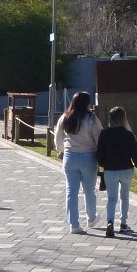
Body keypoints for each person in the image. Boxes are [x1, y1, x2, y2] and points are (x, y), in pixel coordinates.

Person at [54, 91, 102, 235]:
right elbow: (99, 138)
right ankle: (91, 218)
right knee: (89, 191)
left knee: (71, 192)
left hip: (69, 156)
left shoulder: (65, 117)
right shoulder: (92, 119)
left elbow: (58, 136)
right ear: (87, 103)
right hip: (88, 156)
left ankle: (74, 224)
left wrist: (61, 150)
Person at [95, 106, 137, 237]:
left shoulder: (104, 134)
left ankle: (110, 222)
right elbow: (136, 156)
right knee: (125, 197)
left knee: (111, 198)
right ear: (124, 119)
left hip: (110, 170)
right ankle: (123, 223)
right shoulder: (129, 135)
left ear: (110, 119)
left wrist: (103, 165)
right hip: (126, 169)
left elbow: (99, 155)